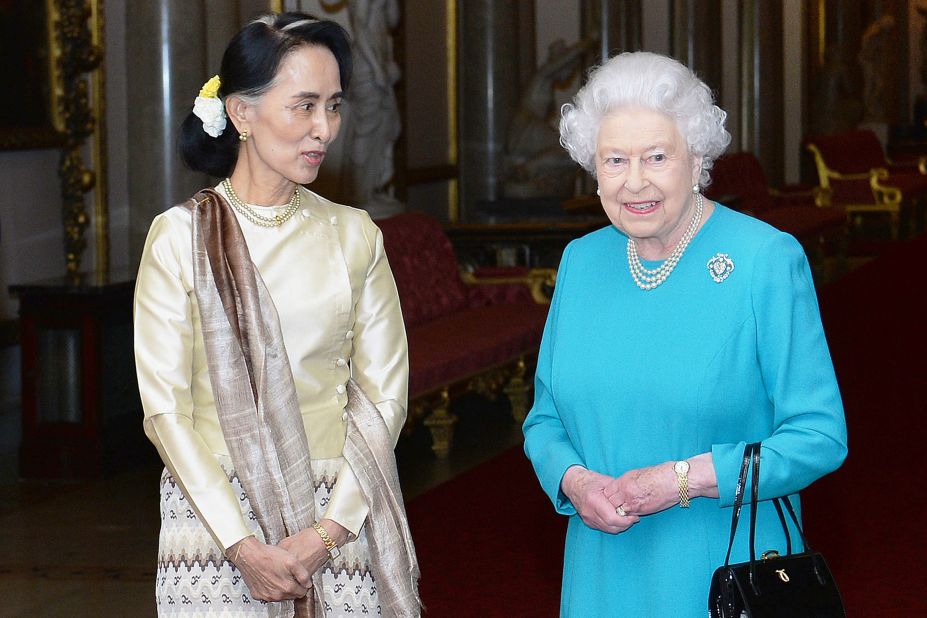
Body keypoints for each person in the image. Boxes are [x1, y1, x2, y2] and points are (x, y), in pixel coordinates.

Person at [522, 51, 847, 617]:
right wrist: (573, 482)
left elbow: (819, 435)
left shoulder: (764, 260)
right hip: (599, 569)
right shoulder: (581, 261)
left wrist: (684, 479)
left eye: (656, 156)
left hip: (721, 570)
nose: (635, 182)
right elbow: (544, 419)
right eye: (615, 160)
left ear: (697, 158)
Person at [133, 12, 419, 617]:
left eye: (334, 106)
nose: (325, 129)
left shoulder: (353, 235)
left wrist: (327, 533)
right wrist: (241, 545)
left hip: (339, 513)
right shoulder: (178, 238)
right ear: (241, 113)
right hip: (212, 522)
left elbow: (385, 397)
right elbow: (164, 410)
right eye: (304, 105)